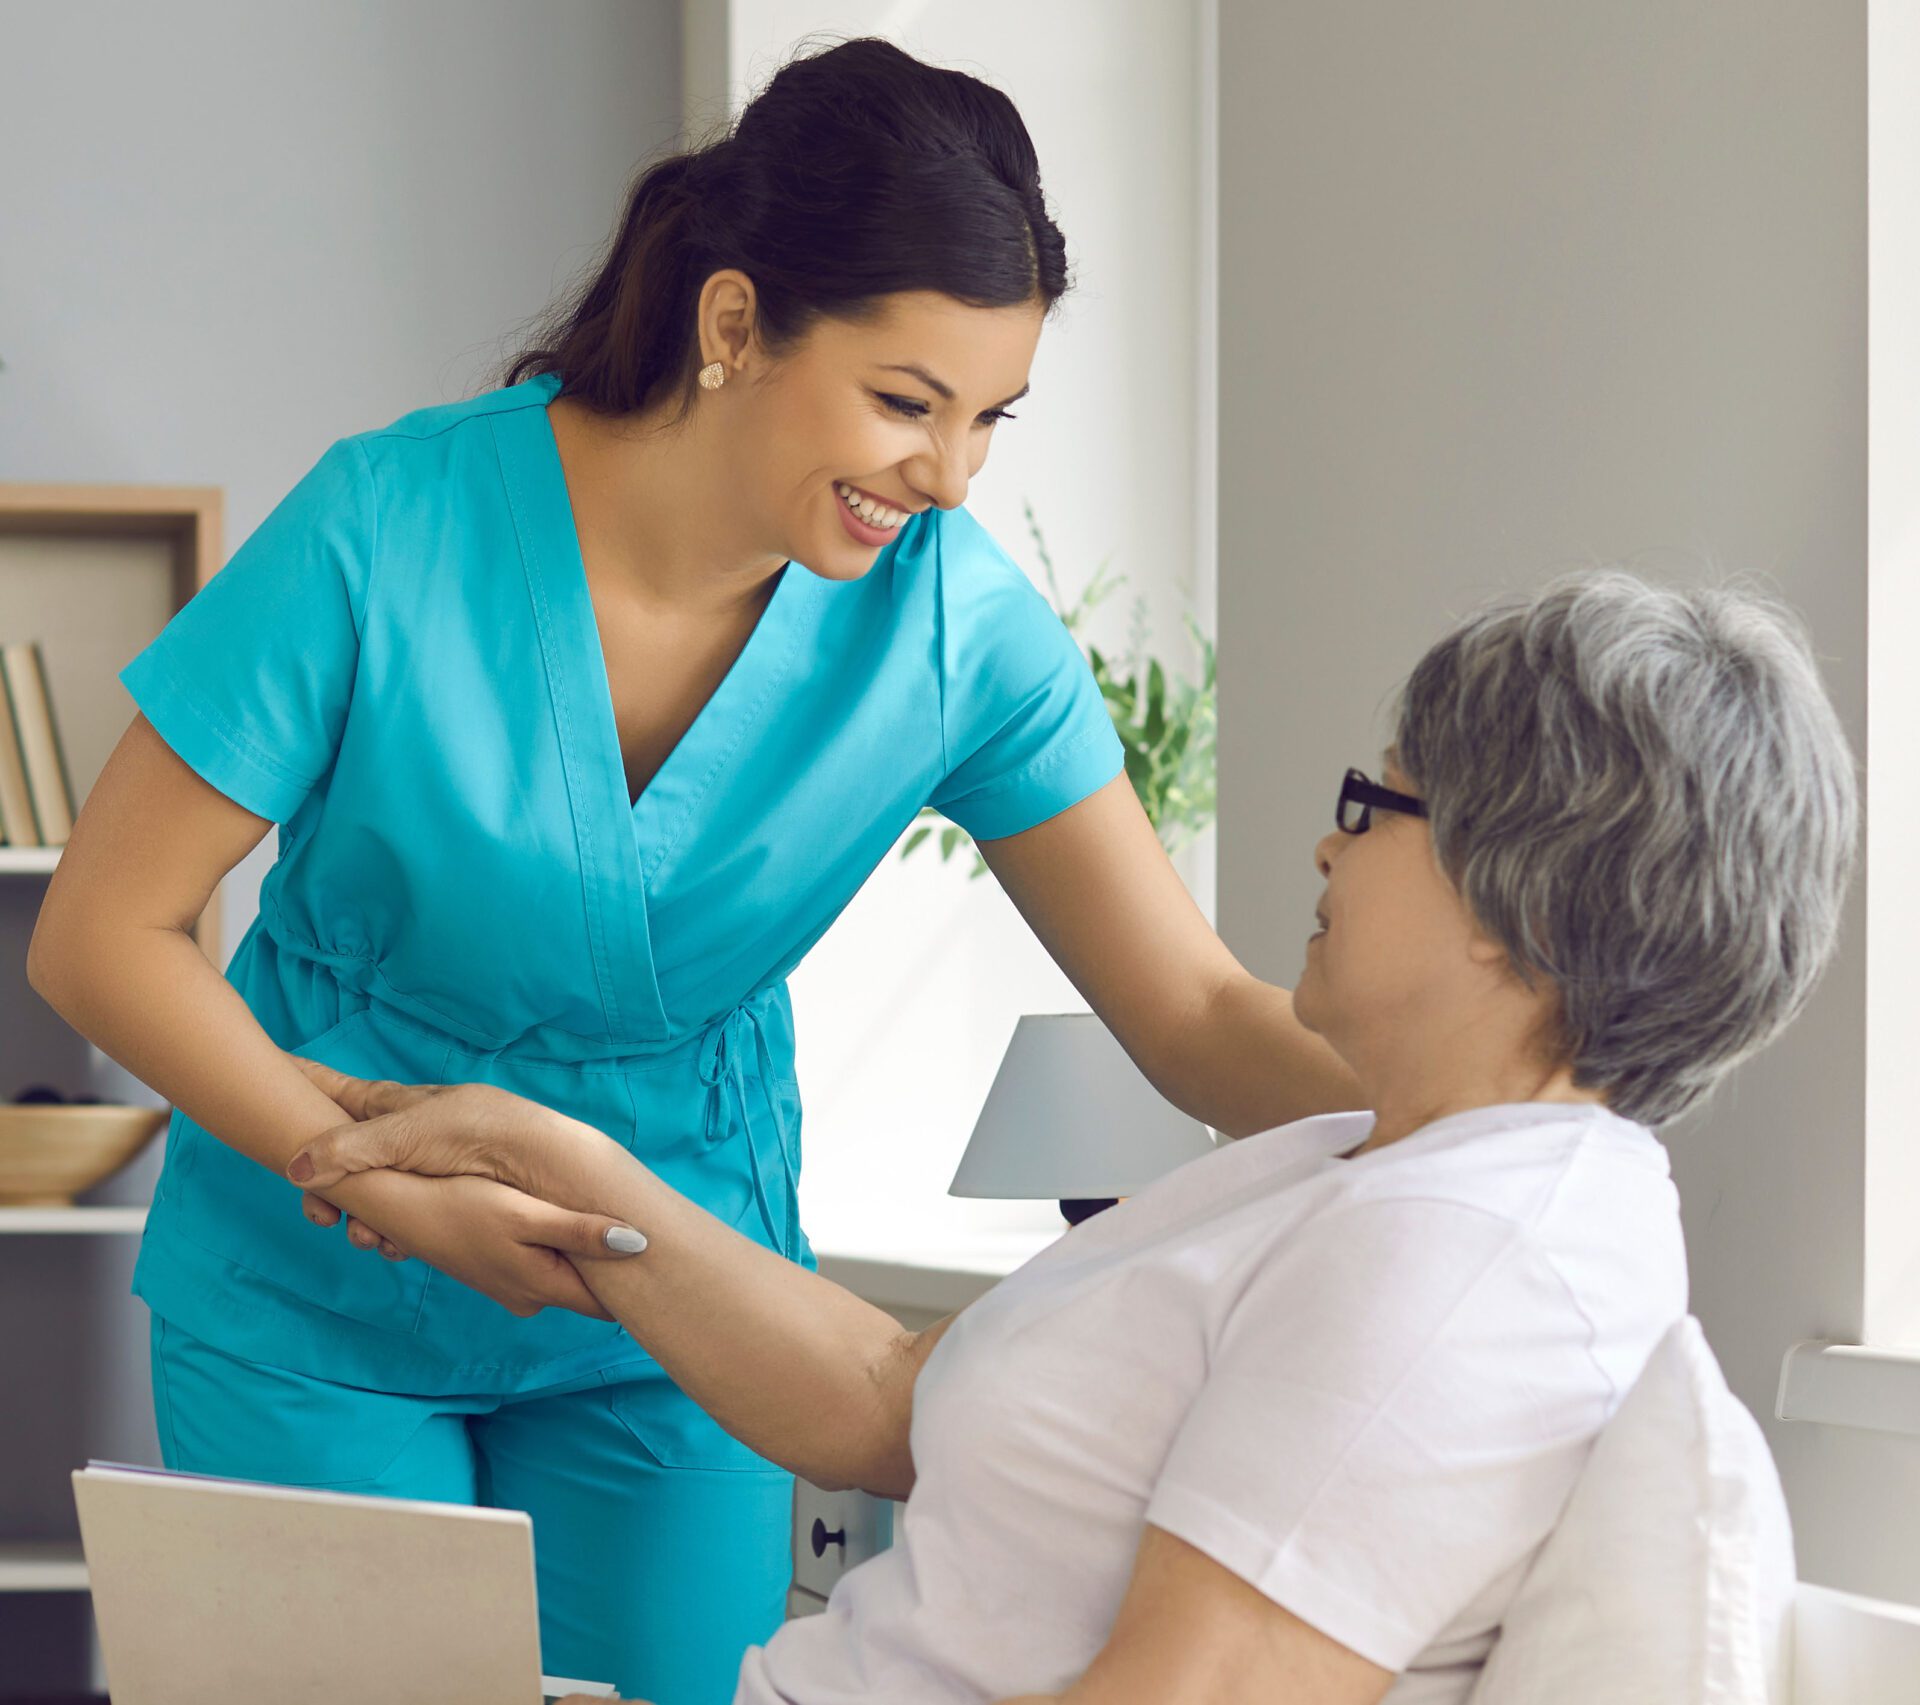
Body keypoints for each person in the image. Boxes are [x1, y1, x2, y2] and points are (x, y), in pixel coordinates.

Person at [24, 36, 1360, 1705]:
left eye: (991, 419)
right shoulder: (388, 524)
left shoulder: (958, 633)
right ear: (736, 326)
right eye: (904, 401)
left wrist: (1498, 1101)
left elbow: (1194, 1009)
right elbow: (102, 934)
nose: (949, 479)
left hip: (678, 1307)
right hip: (319, 1269)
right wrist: (360, 1170)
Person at [285, 572, 1857, 1705]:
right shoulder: (1371, 1163)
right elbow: (902, 1400)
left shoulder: (1465, 1261)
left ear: (1526, 906)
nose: (1329, 832)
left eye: (1380, 800)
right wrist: (582, 1187)